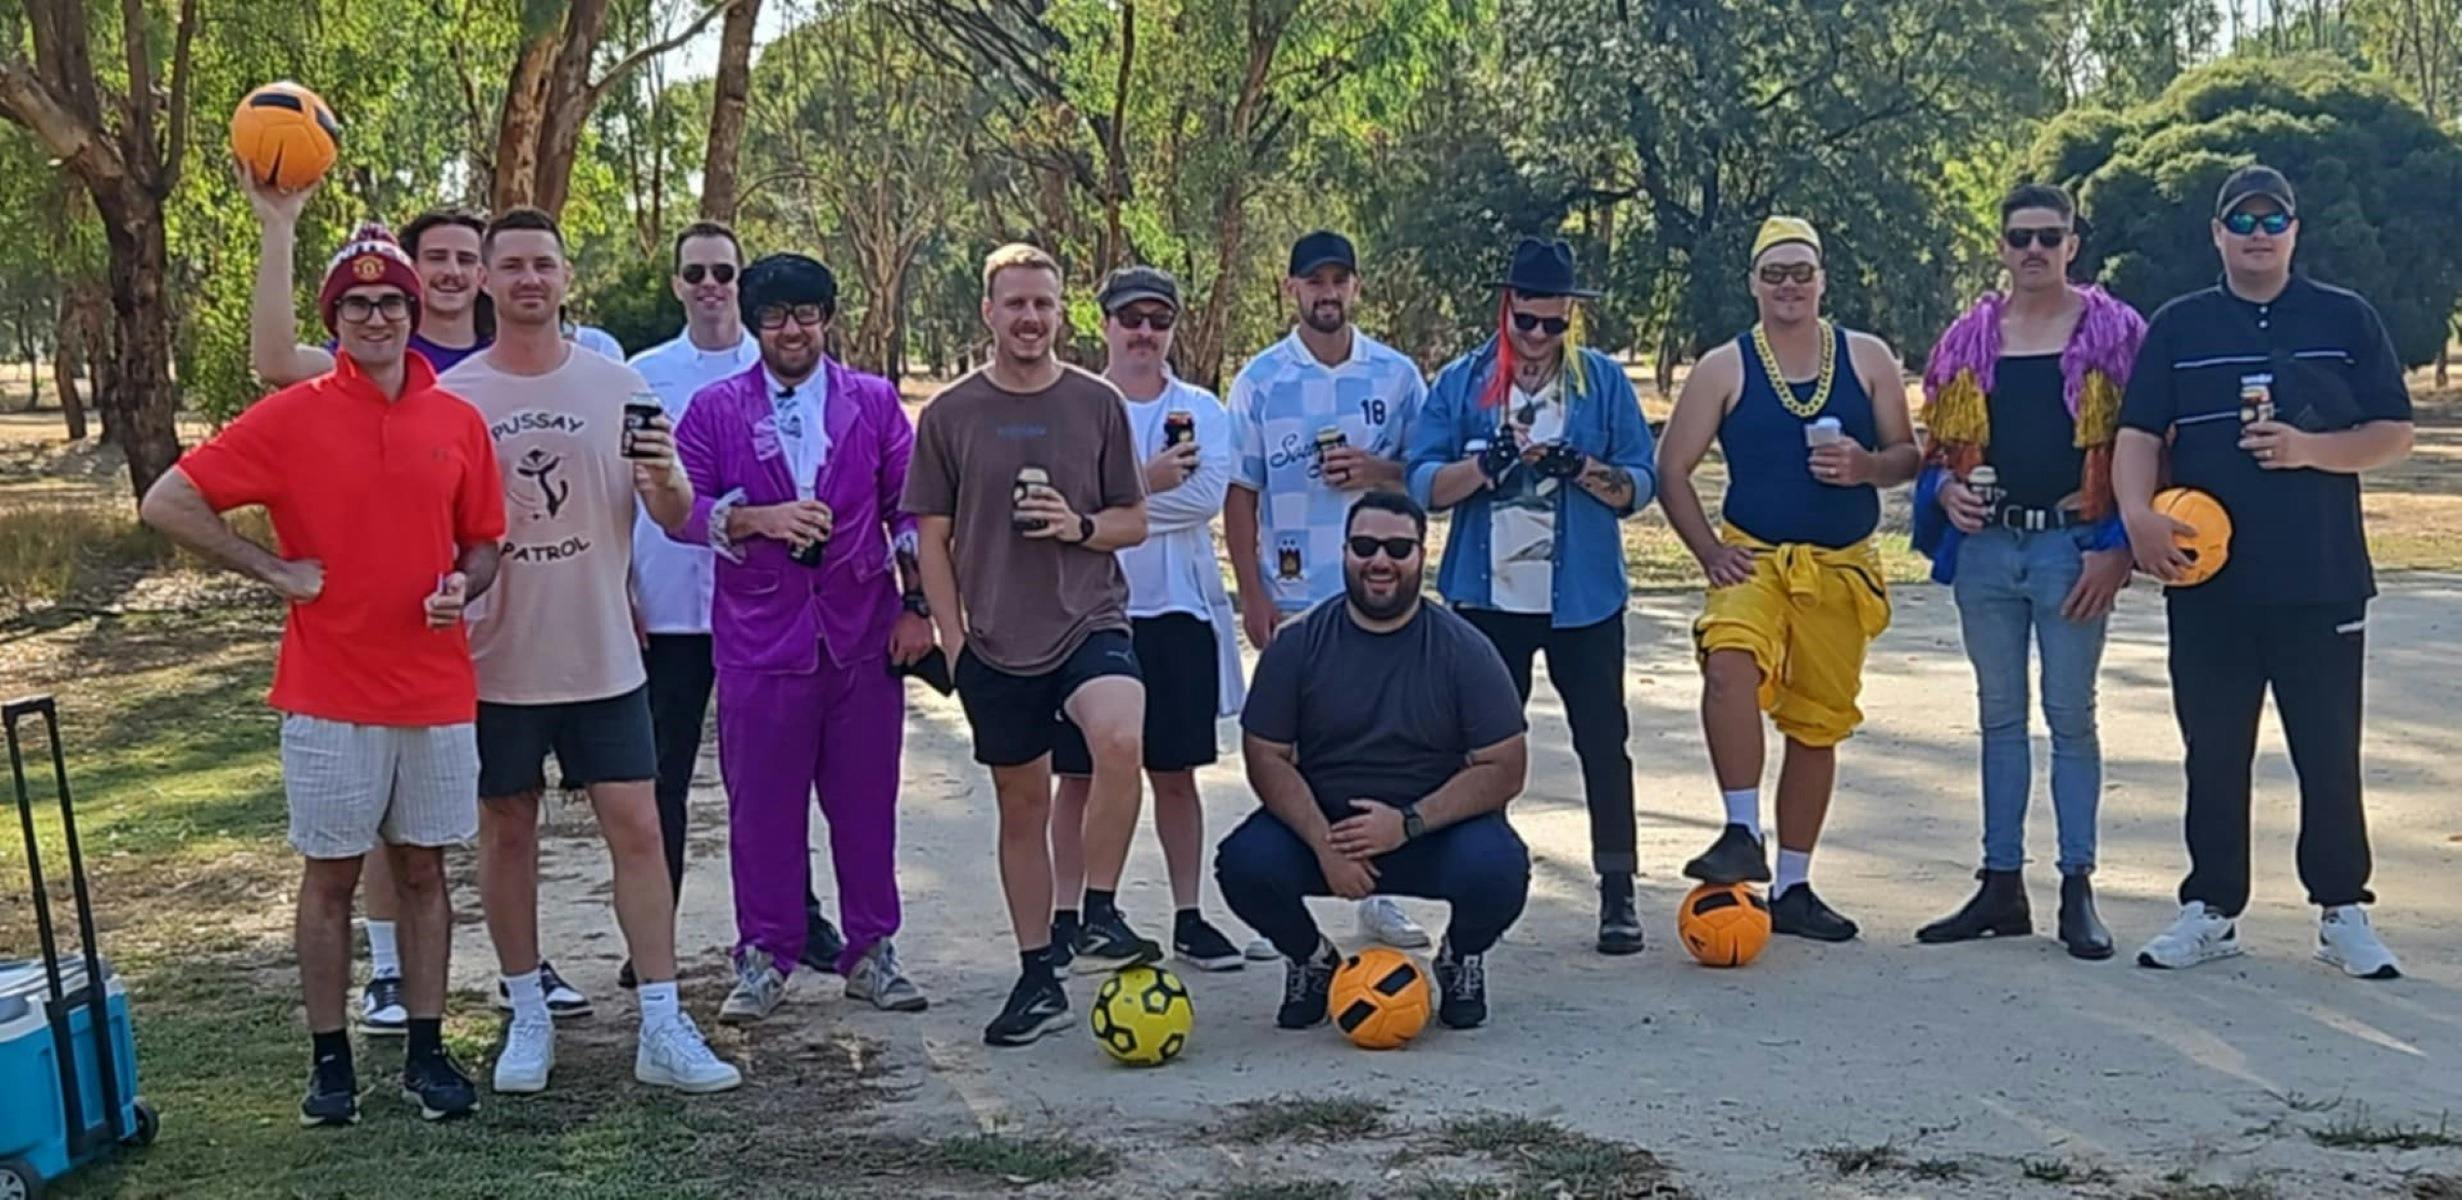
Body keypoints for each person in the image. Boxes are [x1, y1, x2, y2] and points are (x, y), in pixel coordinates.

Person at [141, 224, 496, 1125]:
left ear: (413, 313)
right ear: (333, 319)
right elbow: (168, 501)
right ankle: (331, 1064)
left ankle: (427, 1053)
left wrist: (465, 584)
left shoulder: (456, 420)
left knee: (425, 873)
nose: (376, 318)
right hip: (330, 692)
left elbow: (486, 543)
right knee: (332, 877)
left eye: (391, 303)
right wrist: (274, 570)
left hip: (435, 690)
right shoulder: (291, 416)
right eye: (356, 304)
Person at [234, 177, 581, 1030]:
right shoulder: (367, 361)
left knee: (500, 815)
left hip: (514, 621)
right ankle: (388, 969)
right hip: (395, 642)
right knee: (389, 821)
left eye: (468, 257)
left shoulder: (515, 360)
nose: (454, 271)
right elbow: (274, 360)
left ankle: (523, 966)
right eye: (438, 257)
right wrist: (279, 224)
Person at [445, 207, 739, 1094]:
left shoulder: (619, 385)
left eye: (544, 264)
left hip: (605, 654)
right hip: (496, 661)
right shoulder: (454, 398)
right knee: (507, 832)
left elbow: (674, 514)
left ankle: (662, 1022)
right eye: (512, 266)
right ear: (487, 281)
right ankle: (527, 1013)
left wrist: (665, 476)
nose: (529, 279)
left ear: (566, 276)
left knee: (639, 829)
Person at [2117, 165, 2416, 979]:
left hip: (2321, 575)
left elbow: (2394, 432)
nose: (2258, 234)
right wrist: (2137, 515)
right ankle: (2212, 909)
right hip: (2208, 579)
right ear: (2217, 233)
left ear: (2294, 231)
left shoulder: (2344, 318)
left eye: (2272, 220)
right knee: (2214, 752)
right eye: (2242, 221)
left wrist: (2310, 449)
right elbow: (2138, 433)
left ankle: (2342, 910)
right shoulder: (2179, 325)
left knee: (2328, 750)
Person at [903, 243, 1158, 1047]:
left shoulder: (1097, 402)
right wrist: (953, 637)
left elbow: (1134, 520)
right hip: (996, 639)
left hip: (1088, 616)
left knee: (1119, 737)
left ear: (1062, 312)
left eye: (1044, 304)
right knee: (1023, 806)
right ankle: (1037, 973)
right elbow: (931, 537)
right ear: (989, 312)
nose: (1030, 318)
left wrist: (1078, 526)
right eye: (1015, 303)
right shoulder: (950, 414)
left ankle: (1099, 910)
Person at [669, 252, 935, 1019]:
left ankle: (872, 951)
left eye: (807, 314)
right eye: (777, 316)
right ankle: (764, 955)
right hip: (759, 641)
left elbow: (910, 508)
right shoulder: (715, 409)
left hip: (862, 636)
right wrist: (759, 520)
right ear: (754, 324)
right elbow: (681, 510)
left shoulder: (873, 402)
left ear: (827, 319)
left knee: (866, 805)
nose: (793, 330)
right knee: (762, 811)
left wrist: (916, 606)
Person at [1656, 215, 1920, 942]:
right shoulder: (1725, 366)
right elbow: (1671, 469)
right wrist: (1709, 551)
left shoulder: (1866, 357)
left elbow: (1907, 455)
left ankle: (1795, 887)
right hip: (1756, 557)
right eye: (1774, 273)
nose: (1789, 286)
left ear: (1823, 279)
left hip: (1841, 566)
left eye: (1802, 272)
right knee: (1728, 662)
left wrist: (1866, 466)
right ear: (1754, 284)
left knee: (1816, 724)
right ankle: (1741, 830)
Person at [1909, 184, 2143, 960]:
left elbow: (2151, 443)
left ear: (2074, 243)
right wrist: (1944, 491)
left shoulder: (2116, 335)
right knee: (1999, 718)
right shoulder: (1969, 339)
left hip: (2072, 549)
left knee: (2071, 716)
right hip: (1989, 550)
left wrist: (2120, 545)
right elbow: (1936, 451)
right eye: (2021, 237)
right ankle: (2001, 883)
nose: (2035, 250)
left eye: (2050, 236)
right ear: (2002, 247)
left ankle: (2078, 884)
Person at [1408, 237, 1658, 956]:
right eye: (1528, 320)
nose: (1541, 335)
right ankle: (1475, 886)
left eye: (1556, 322)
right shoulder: (1463, 382)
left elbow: (1639, 483)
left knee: (1603, 741)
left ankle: (1618, 890)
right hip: (1487, 599)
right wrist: (1486, 466)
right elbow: (1422, 482)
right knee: (1480, 749)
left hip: (1582, 597)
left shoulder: (1601, 382)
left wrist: (1585, 469)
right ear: (1506, 308)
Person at [621, 222, 848, 989]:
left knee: (779, 773)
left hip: (770, 609)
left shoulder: (784, 363)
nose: (710, 285)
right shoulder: (642, 374)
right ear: (677, 284)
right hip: (671, 607)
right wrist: (620, 585)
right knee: (663, 776)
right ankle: (653, 936)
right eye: (696, 273)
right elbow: (621, 488)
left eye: (724, 272)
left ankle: (799, 920)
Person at [1215, 492, 1531, 1031]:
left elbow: (1505, 766)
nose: (1380, 560)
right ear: (1343, 552)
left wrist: (1406, 824)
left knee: (1499, 869)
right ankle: (1311, 960)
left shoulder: (1465, 650)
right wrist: (1324, 844)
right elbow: (1265, 755)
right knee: (1244, 864)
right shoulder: (1297, 645)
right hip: (1327, 834)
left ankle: (1460, 957)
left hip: (1431, 833)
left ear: (1422, 555)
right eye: (1364, 546)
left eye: (1397, 548)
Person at [1223, 228, 1433, 955]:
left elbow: (1428, 474)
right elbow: (1241, 492)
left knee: (1385, 742)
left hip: (1381, 593)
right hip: (1294, 595)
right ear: (1291, 289)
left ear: (1356, 287)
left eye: (1339, 280)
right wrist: (1251, 592)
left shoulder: (1396, 376)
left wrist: (1377, 471)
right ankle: (1287, 899)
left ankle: (1380, 896)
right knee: (1289, 748)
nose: (1327, 293)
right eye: (1314, 281)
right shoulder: (1259, 380)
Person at [1049, 266, 1250, 973]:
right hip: (1088, 616)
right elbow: (1059, 504)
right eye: (1131, 319)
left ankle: (1189, 915)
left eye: (1159, 321)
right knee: (1077, 777)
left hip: (1178, 612)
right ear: (1103, 322)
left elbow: (1203, 498)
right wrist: (1144, 483)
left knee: (1175, 772)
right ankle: (1068, 918)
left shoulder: (1200, 408)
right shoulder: (1075, 403)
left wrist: (1104, 513)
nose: (1144, 333)